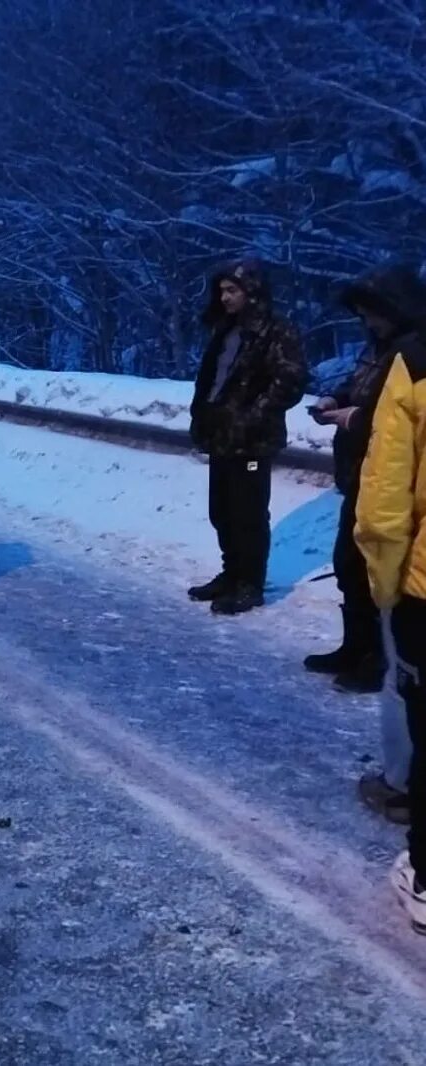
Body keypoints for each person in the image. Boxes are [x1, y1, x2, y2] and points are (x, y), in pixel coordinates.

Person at [308, 267, 426, 697]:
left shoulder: (412, 355)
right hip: (359, 471)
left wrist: (354, 417)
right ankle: (355, 647)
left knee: (372, 567)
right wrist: (335, 400)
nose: (367, 322)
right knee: (348, 563)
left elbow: (392, 420)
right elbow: (360, 389)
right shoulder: (378, 349)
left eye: (371, 313)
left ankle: (380, 658)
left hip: (386, 477)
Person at [352, 267, 426, 931]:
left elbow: (383, 508)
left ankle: (424, 876)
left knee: (415, 705)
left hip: (423, 584)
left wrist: (385, 586)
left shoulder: (413, 364)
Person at [186, 260, 307, 615]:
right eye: (221, 291)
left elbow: (292, 380)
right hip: (222, 435)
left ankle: (249, 583)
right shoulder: (225, 331)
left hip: (253, 440)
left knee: (248, 513)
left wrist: (253, 415)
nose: (224, 298)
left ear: (252, 293)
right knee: (221, 510)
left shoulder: (277, 331)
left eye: (231, 290)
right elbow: (213, 380)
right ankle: (231, 573)